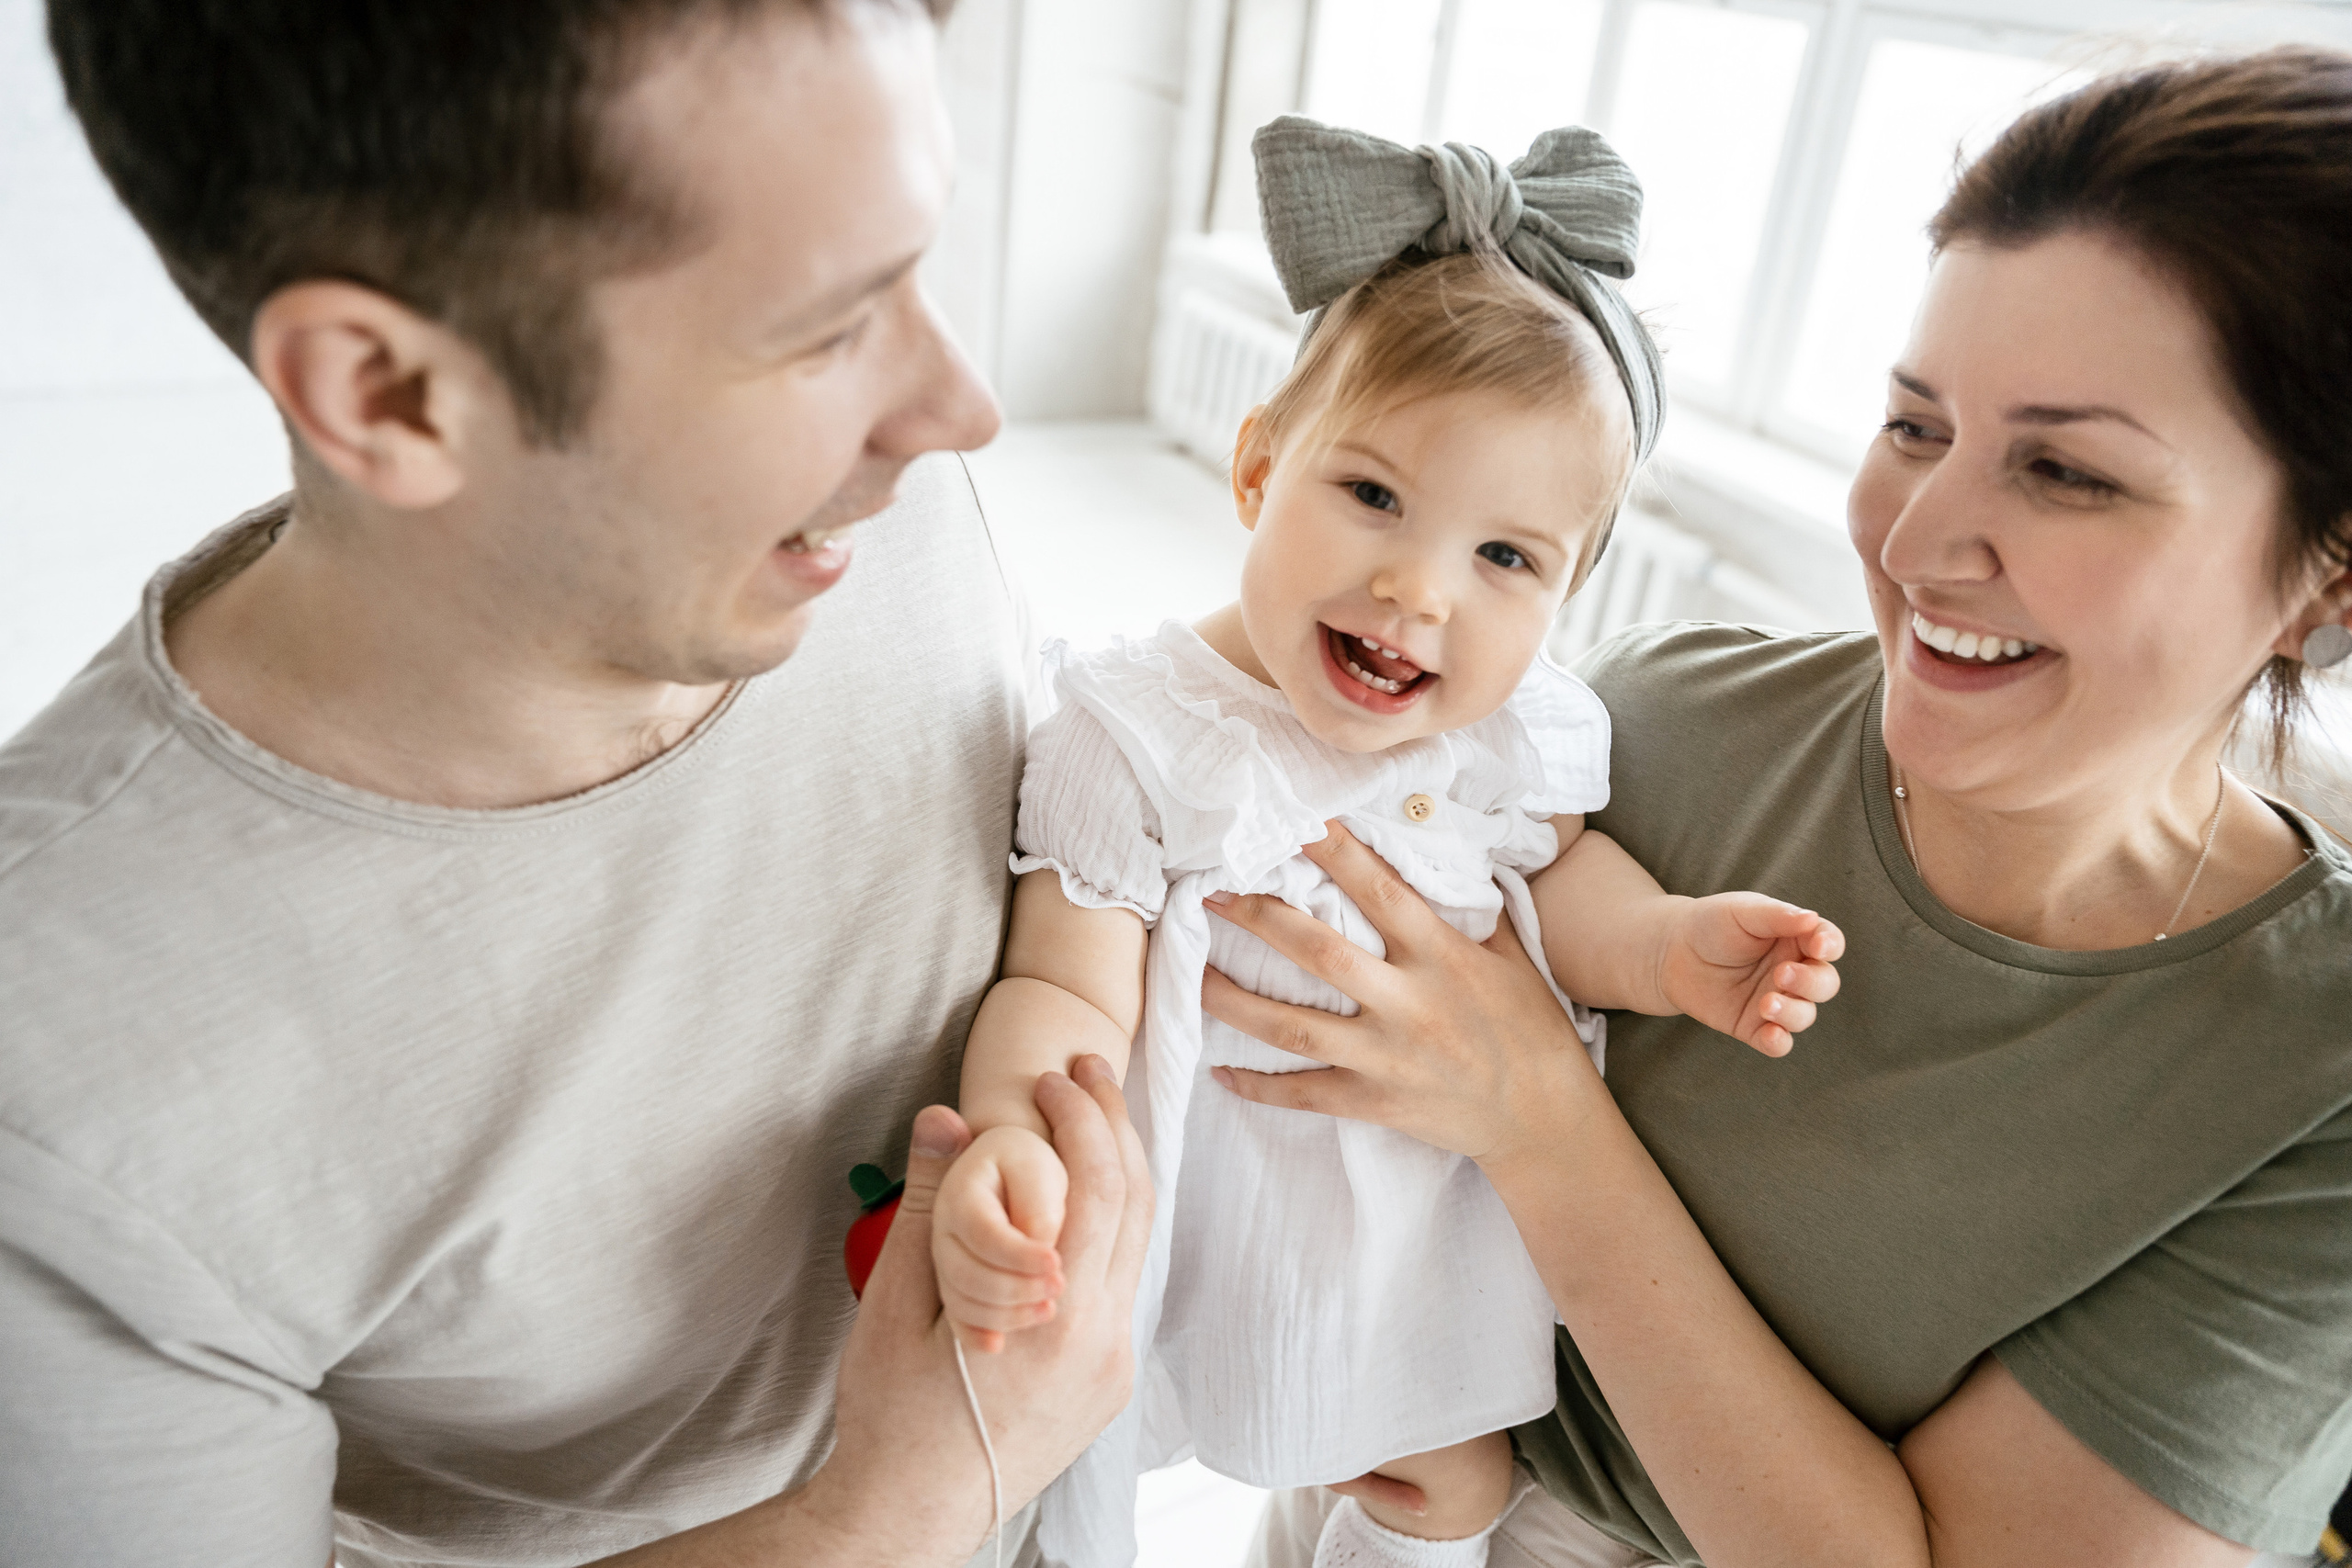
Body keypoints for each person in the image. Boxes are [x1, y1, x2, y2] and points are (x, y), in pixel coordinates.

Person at [0, 3, 1149, 1565]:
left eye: (916, 269)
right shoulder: (61, 1097)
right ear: (389, 394)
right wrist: (909, 1502)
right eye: (826, 328)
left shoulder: (855, 520)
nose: (959, 413)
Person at [1230, 49, 2352, 1568]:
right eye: (1912, 427)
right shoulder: (1651, 722)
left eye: (2068, 473)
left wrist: (1541, 1120)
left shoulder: (2313, 1067)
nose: (1923, 539)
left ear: (2326, 572)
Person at [932, 120, 1843, 1568]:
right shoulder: (1143, 731)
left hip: (1419, 1264)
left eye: (1505, 558)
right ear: (1255, 469)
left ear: (1565, 598)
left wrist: (1672, 950)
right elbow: (1060, 987)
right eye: (1371, 496)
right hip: (1204, 1239)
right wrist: (1017, 1148)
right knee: (1068, 1480)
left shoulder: (1511, 734)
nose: (1417, 588)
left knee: (1423, 1506)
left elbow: (1556, 882)